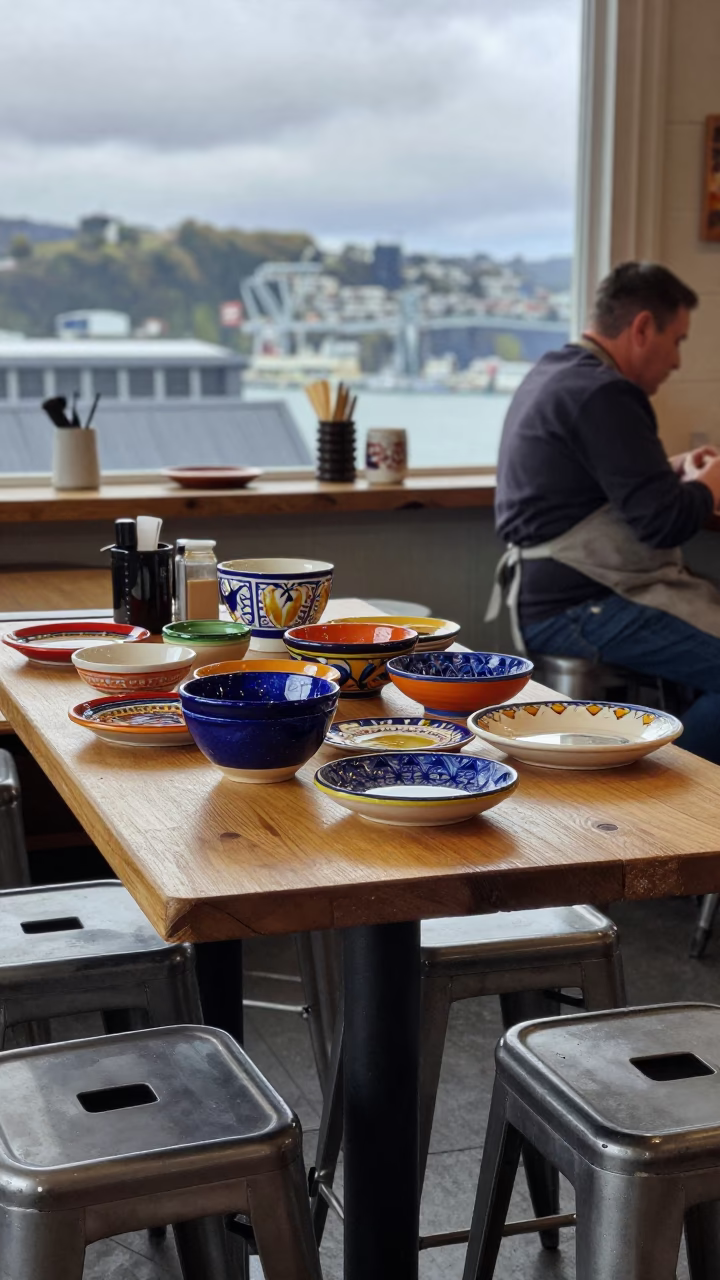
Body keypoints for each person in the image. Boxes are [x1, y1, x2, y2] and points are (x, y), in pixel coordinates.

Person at [490, 260, 720, 763]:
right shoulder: (607, 393)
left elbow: (600, 487)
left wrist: (676, 470)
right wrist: (710, 488)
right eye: (677, 339)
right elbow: (663, 522)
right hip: (583, 606)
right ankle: (676, 800)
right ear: (642, 328)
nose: (679, 360)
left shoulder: (557, 373)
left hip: (549, 600)